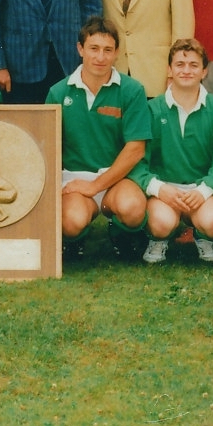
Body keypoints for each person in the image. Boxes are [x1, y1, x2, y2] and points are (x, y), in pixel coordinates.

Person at [45, 18, 152, 260]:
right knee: (71, 222)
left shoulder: (132, 90)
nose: (100, 57)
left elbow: (135, 149)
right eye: (93, 48)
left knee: (133, 209)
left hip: (118, 177)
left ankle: (122, 234)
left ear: (116, 53)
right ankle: (75, 240)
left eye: (107, 50)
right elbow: (49, 146)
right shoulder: (58, 92)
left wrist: (96, 185)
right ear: (80, 49)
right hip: (75, 178)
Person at [132, 38, 213, 266]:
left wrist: (204, 190)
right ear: (169, 69)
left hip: (200, 188)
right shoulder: (151, 108)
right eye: (179, 64)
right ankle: (160, 238)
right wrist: (159, 189)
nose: (186, 71)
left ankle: (202, 236)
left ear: (204, 71)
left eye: (194, 65)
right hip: (166, 190)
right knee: (161, 223)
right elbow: (138, 161)